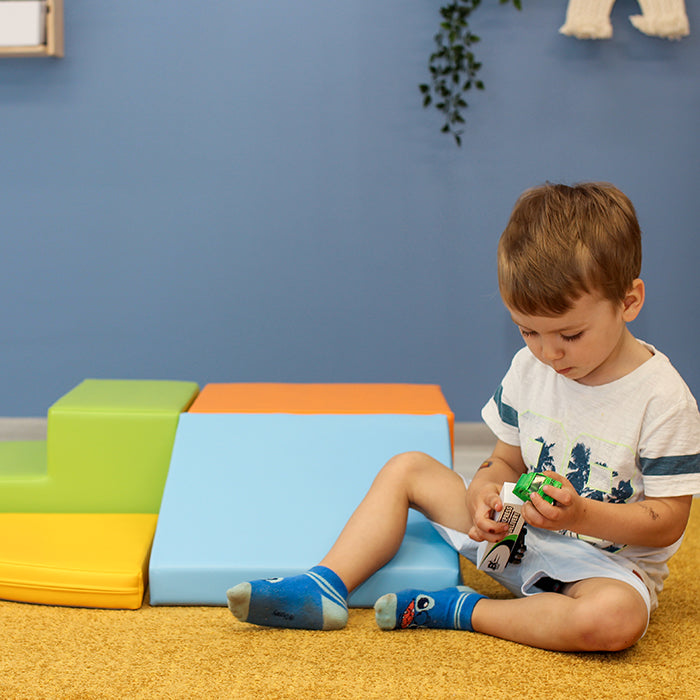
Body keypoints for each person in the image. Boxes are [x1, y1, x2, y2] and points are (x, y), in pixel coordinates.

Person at [227, 182, 700, 651]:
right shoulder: (529, 368)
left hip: (603, 571)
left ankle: (462, 610)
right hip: (516, 535)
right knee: (408, 468)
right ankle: (325, 585)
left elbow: (667, 521)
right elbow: (503, 461)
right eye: (527, 331)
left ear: (629, 302)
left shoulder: (663, 398)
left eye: (571, 335)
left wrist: (580, 515)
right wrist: (482, 495)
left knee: (614, 621)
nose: (549, 352)